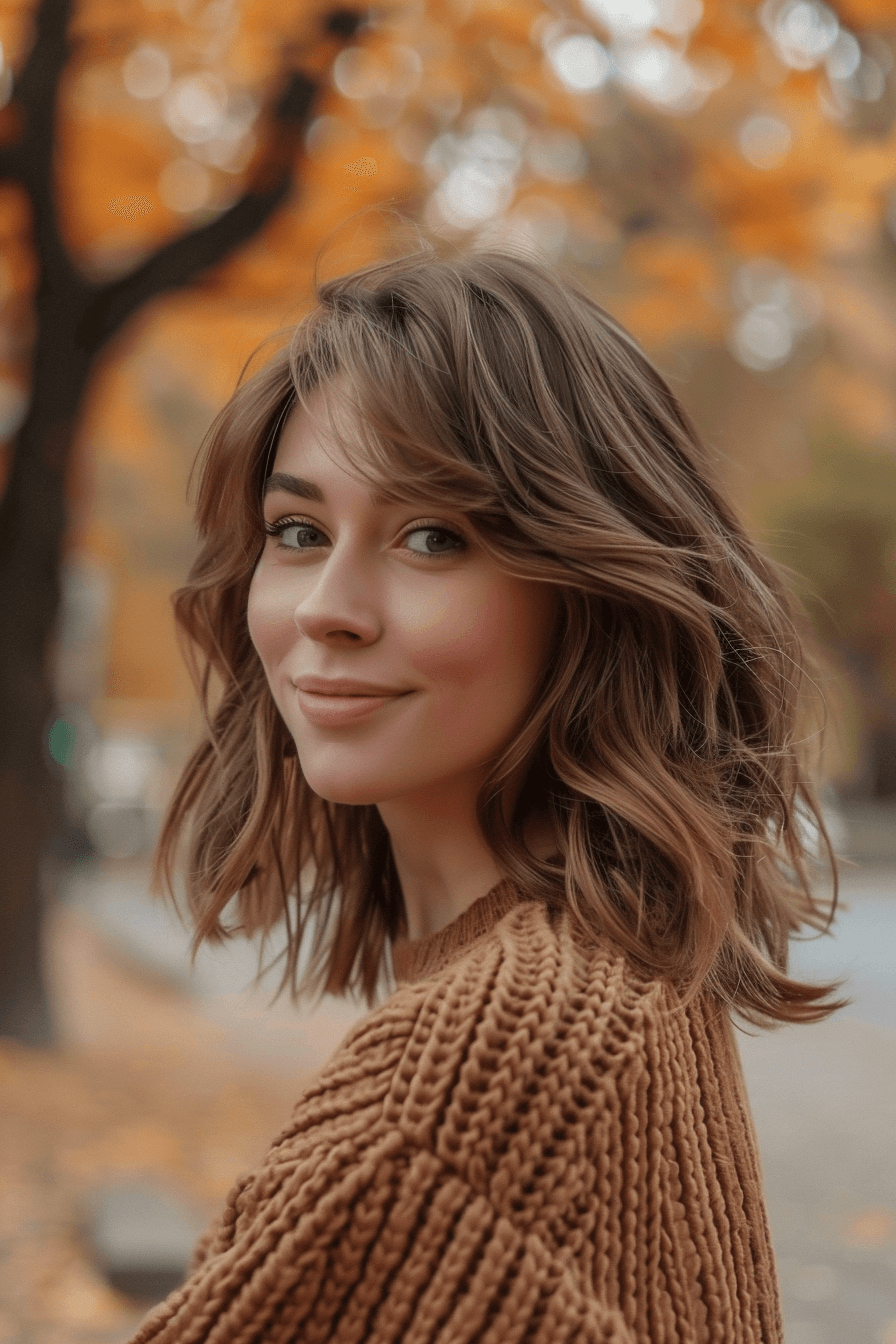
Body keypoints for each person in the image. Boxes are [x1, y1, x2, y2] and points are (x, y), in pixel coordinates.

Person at [130, 239, 850, 1344]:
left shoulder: (484, 1063)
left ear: (588, 590)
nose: (328, 605)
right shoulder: (620, 976)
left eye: (432, 536)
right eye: (298, 532)